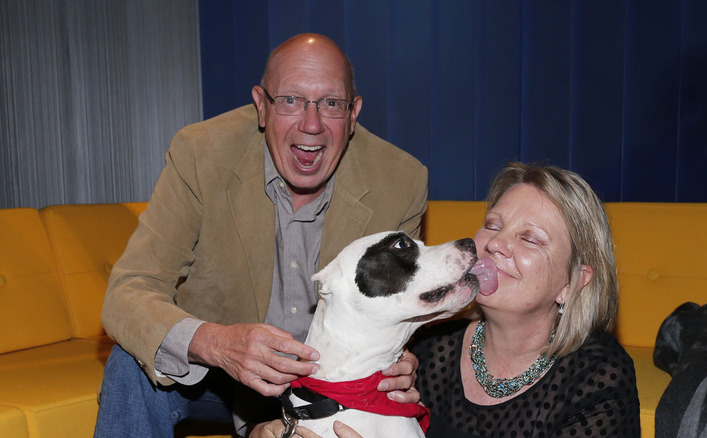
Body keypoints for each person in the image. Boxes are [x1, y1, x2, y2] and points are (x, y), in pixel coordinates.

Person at [94, 33, 428, 438]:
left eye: (331, 104)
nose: (311, 124)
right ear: (261, 106)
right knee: (131, 363)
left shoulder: (401, 181)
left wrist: (399, 356)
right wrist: (215, 343)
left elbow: (403, 305)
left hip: (330, 387)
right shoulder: (201, 154)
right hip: (216, 376)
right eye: (290, 100)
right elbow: (128, 291)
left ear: (354, 114)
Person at [257, 162, 639, 437]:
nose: (495, 244)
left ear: (573, 282)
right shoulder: (418, 352)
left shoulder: (598, 376)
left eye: (530, 238)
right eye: (493, 225)